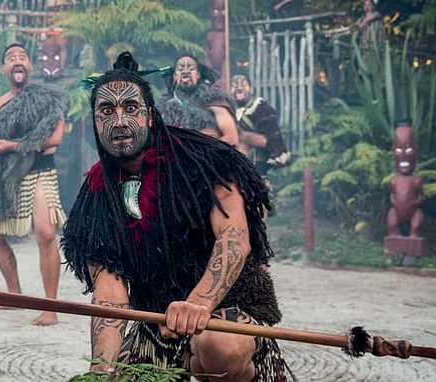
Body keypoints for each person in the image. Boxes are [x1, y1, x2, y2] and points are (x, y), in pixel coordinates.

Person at [62, 52, 287, 381]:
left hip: (228, 309)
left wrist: (197, 304)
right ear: (95, 122)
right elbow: (110, 295)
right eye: (107, 110)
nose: (119, 121)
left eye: (131, 107)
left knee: (217, 348)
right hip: (157, 324)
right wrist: (101, 372)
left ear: (151, 115)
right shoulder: (97, 195)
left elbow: (234, 237)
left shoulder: (202, 159)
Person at [0, 43, 67, 326]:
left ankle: (50, 307)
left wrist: (10, 146)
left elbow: (54, 139)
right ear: (4, 69)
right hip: (8, 176)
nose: (17, 61)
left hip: (39, 170)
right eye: (10, 58)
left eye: (22, 57)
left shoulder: (47, 97)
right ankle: (14, 293)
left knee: (45, 233)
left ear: (30, 66)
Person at [157, 54, 239, 148]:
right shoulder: (164, 108)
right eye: (180, 69)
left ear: (198, 75)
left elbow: (231, 138)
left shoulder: (214, 101)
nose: (185, 71)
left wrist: (201, 147)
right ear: (175, 76)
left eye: (191, 68)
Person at [231, 75, 291, 176]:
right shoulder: (228, 109)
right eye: (235, 85)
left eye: (243, 84)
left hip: (257, 163)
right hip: (234, 163)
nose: (239, 87)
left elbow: (269, 139)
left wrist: (242, 136)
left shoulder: (262, 108)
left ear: (250, 88)